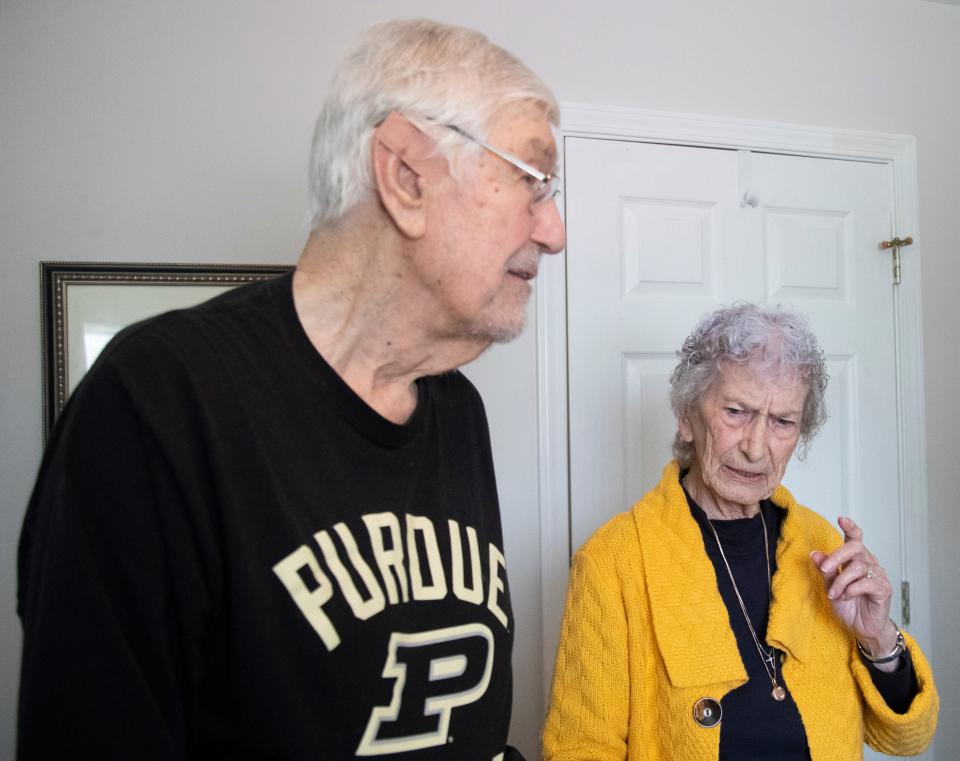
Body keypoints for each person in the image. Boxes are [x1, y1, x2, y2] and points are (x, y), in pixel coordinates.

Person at [17, 19, 565, 760]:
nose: (555, 229)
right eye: (532, 180)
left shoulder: (455, 408)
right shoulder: (156, 402)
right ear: (406, 175)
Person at [543, 304, 938, 760]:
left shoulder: (824, 546)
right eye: (736, 412)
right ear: (687, 417)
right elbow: (579, 748)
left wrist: (879, 640)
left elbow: (908, 739)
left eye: (782, 422)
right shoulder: (613, 560)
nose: (755, 448)